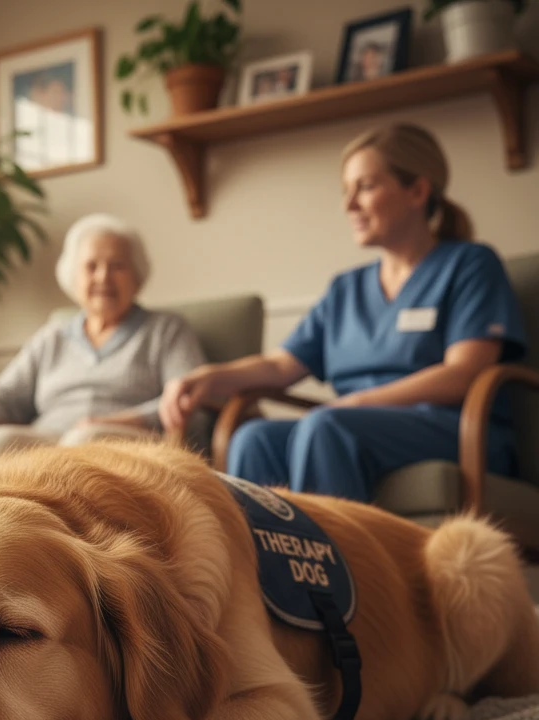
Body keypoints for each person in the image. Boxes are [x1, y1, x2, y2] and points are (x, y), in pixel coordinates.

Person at [159, 123, 527, 503]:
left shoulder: (470, 264)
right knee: (255, 439)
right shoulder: (345, 289)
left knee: (326, 427)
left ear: (417, 191)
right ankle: (265, 564)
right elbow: (280, 367)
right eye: (346, 190)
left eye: (365, 187)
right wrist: (208, 378)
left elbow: (463, 373)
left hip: (453, 427)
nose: (348, 205)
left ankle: (331, 563)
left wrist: (357, 403)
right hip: (350, 426)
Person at [0, 213, 210, 470]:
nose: (103, 277)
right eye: (91, 266)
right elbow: (9, 399)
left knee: (85, 441)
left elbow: (192, 402)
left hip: (129, 451)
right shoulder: (52, 336)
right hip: (49, 443)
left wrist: (127, 419)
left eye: (117, 266)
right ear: (73, 278)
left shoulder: (166, 330)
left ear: (137, 276)